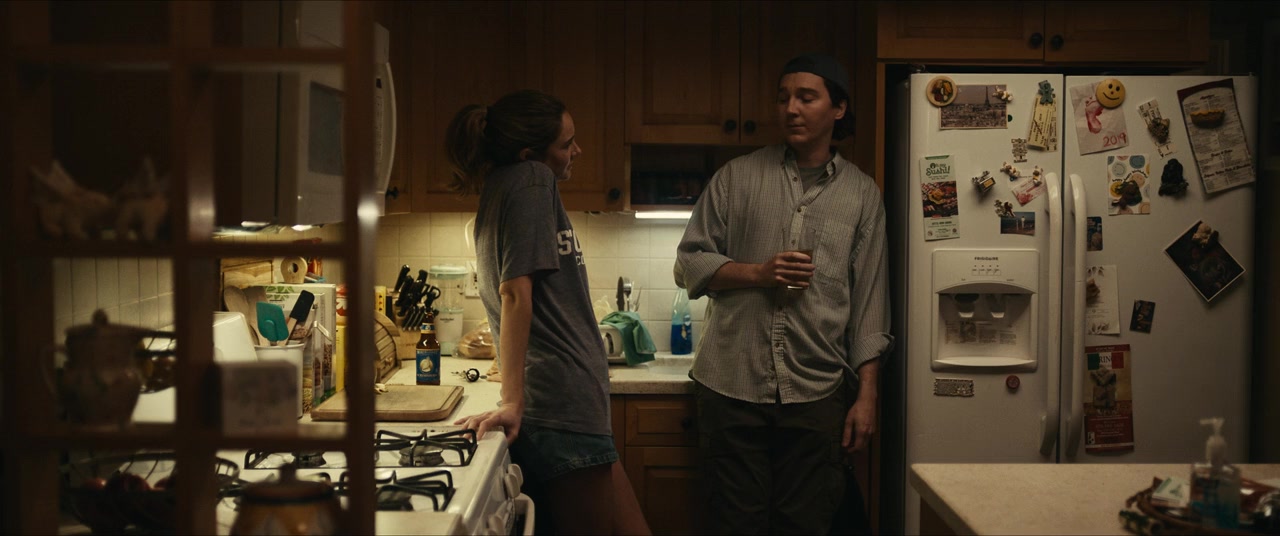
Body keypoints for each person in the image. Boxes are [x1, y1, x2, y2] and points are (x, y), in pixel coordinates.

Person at [674, 53, 893, 535]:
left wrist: (867, 396)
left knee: (806, 525)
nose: (790, 108)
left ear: (838, 108)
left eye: (806, 97)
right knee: (735, 525)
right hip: (730, 385)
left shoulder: (862, 195)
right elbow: (688, 262)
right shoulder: (736, 177)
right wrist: (759, 273)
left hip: (817, 392)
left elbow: (870, 305)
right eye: (783, 97)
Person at [446, 89, 650, 536]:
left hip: (569, 404)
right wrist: (512, 401)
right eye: (566, 143)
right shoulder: (533, 180)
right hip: (562, 407)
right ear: (529, 154)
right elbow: (515, 293)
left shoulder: (504, 185)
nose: (578, 151)